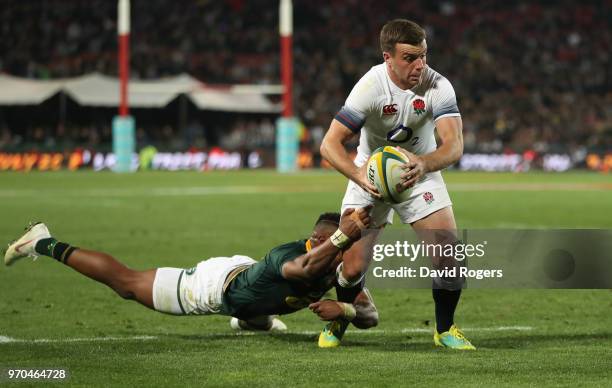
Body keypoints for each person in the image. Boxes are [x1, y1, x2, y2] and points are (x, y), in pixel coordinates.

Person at [319, 19, 475, 349]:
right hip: (370, 174)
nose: (419, 65)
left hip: (420, 172)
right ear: (387, 58)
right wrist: (359, 175)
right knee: (352, 265)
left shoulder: (438, 86)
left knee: (449, 256)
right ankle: (341, 319)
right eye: (409, 58)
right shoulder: (370, 87)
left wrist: (424, 164)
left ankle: (445, 330)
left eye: (423, 56)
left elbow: (454, 144)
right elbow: (330, 144)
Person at [4, 208, 378, 334]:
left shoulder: (344, 268)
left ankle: (253, 320)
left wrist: (344, 309)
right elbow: (302, 269)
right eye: (341, 244)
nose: (348, 253)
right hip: (213, 287)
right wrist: (343, 238)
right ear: (318, 238)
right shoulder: (297, 254)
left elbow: (370, 315)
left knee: (265, 299)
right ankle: (42, 241)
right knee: (128, 285)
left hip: (249, 282)